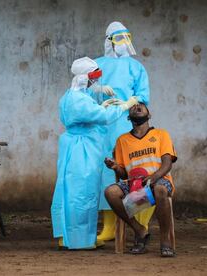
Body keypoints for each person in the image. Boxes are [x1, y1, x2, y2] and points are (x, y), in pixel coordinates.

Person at [50, 57, 138, 249]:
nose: (95, 82)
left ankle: (70, 236)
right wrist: (123, 106)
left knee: (71, 191)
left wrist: (101, 104)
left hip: (75, 147)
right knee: (82, 192)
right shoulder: (78, 100)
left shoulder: (70, 96)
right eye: (94, 77)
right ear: (85, 77)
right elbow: (102, 117)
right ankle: (77, 240)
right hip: (83, 150)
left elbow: (89, 112)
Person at [95, 21, 152, 243]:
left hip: (128, 125)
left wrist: (129, 102)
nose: (124, 42)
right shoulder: (97, 64)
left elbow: (143, 95)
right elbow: (85, 88)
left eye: (126, 36)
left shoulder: (136, 67)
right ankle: (109, 226)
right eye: (118, 38)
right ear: (109, 40)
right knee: (107, 173)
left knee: (136, 172)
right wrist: (98, 91)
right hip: (102, 127)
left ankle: (142, 223)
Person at [104, 102, 177, 256]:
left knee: (160, 189)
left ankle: (165, 242)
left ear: (148, 115)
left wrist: (153, 178)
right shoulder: (122, 140)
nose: (136, 107)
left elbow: (167, 163)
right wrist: (115, 166)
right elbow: (123, 174)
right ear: (128, 117)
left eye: (141, 106)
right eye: (133, 107)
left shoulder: (161, 134)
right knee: (110, 192)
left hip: (158, 181)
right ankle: (139, 230)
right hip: (134, 185)